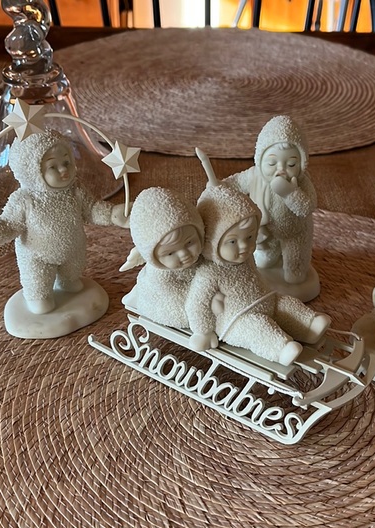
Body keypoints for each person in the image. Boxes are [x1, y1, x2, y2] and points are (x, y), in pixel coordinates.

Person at [0, 129, 129, 315]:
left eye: (66, 162)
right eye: (53, 167)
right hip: (37, 256)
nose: (64, 170)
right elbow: (8, 223)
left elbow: (91, 209)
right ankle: (38, 296)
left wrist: (113, 214)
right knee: (41, 304)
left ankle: (68, 280)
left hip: (73, 250)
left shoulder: (75, 190)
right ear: (31, 170)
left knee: (73, 282)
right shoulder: (25, 200)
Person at [185, 182, 330, 366]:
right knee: (259, 327)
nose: (244, 246)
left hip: (265, 300)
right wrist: (203, 332)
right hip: (238, 320)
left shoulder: (246, 259)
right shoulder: (209, 273)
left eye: (249, 237)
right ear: (210, 240)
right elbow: (197, 304)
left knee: (285, 304)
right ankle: (280, 348)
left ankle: (309, 326)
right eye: (232, 242)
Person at [223, 115, 316, 285]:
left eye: (291, 164)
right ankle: (272, 253)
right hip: (266, 232)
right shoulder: (254, 175)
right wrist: (219, 186)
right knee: (263, 264)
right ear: (260, 160)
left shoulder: (302, 182)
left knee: (294, 277)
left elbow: (307, 208)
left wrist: (290, 193)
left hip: (296, 233)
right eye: (272, 163)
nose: (281, 170)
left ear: (302, 164)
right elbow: (234, 183)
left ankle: (294, 265)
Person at [121, 186, 204, 328]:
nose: (184, 254)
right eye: (170, 253)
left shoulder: (204, 255)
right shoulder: (160, 276)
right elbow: (176, 309)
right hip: (166, 298)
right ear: (153, 257)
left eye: (189, 243)